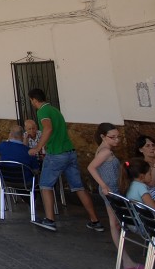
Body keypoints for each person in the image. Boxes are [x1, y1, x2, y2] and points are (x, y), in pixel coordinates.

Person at [27, 89, 104, 233]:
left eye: (31, 101)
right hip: (70, 152)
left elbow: (48, 128)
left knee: (45, 185)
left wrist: (38, 147)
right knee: (79, 187)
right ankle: (95, 220)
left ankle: (50, 220)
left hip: (56, 153)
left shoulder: (42, 111)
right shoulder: (55, 110)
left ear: (34, 100)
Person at [87, 123, 143, 269]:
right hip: (110, 190)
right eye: (113, 137)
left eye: (118, 137)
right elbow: (91, 167)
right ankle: (126, 260)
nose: (117, 140)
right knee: (116, 225)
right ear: (103, 137)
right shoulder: (105, 152)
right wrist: (104, 185)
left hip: (111, 189)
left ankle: (126, 260)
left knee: (115, 225)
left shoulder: (105, 150)